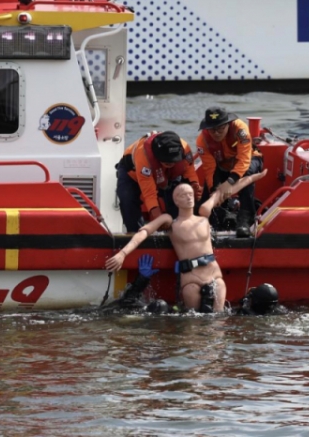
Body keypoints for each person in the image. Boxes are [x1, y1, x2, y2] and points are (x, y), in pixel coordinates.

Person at [105, 172, 266, 312]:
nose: (188, 197)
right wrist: (122, 253)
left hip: (213, 273)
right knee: (192, 324)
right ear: (176, 201)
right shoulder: (170, 222)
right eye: (183, 195)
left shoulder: (204, 214)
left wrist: (254, 177)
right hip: (190, 278)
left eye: (190, 194)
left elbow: (224, 191)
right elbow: (144, 232)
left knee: (218, 322)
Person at [195, 107, 263, 237]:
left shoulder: (240, 129)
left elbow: (244, 159)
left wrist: (229, 182)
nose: (216, 133)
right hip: (223, 166)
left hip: (250, 160)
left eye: (220, 128)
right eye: (212, 130)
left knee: (247, 175)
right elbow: (209, 169)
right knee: (210, 190)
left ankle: (245, 219)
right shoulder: (202, 141)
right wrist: (214, 190)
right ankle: (217, 220)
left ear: (227, 124)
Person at [115, 131, 202, 232]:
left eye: (173, 160)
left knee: (177, 195)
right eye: (166, 160)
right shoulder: (143, 158)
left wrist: (195, 185)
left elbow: (190, 171)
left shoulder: (184, 148)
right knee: (127, 198)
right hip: (132, 174)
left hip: (168, 175)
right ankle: (136, 233)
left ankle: (177, 230)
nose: (170, 163)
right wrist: (157, 215)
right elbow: (149, 193)